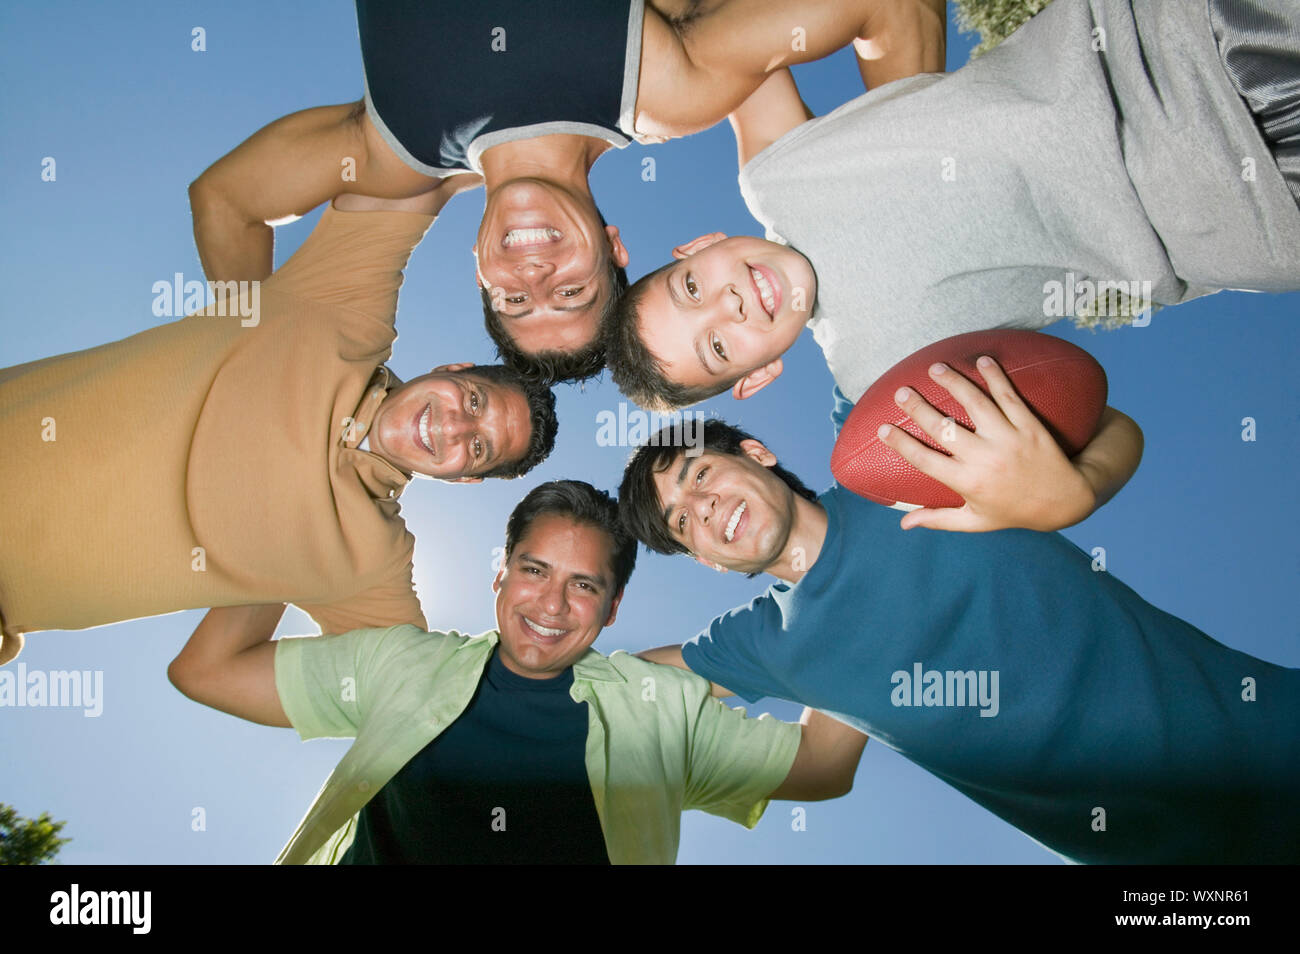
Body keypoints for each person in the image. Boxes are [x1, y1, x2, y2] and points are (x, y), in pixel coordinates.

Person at [614, 411, 1300, 863]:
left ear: (757, 454)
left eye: (699, 474)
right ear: (706, 559)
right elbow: (608, 692)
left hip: (1271, 735)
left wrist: (1078, 490)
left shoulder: (900, 462)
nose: (702, 508)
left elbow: (1108, 425)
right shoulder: (763, 644)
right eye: (682, 524)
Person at [189, 0, 947, 382]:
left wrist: (252, 363)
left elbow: (225, 200)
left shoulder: (395, 151)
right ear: (616, 247)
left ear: (480, 270)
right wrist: (914, 192)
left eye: (516, 300)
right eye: (573, 294)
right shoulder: (665, 88)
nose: (536, 278)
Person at [604, 0, 1300, 409]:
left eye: (692, 287)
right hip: (1250, 205)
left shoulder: (773, 172)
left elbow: (691, 47)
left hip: (1178, 31)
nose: (730, 305)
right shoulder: (878, 375)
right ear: (758, 376)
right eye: (719, 346)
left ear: (697, 244)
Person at [167, 480, 869, 864]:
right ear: (499, 576)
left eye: (584, 585)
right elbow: (209, 671)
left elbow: (821, 765)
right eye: (534, 571)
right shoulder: (404, 665)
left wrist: (855, 596)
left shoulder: (653, 713)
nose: (553, 603)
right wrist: (295, 535)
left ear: (613, 607)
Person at [0, 190, 557, 667]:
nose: (456, 428)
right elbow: (408, 162)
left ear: (465, 480)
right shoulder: (339, 313)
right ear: (452, 370)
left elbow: (416, 695)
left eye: (479, 448)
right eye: (474, 400)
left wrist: (285, 567)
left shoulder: (368, 566)